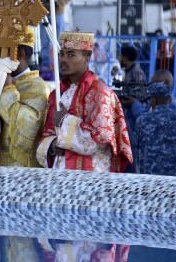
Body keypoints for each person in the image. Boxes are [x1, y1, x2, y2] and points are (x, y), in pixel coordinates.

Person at [36, 31, 132, 172]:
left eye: (71, 55)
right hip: (61, 174)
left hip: (91, 175)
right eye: (61, 54)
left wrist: (64, 121)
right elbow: (47, 134)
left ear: (87, 58)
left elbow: (99, 140)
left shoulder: (100, 92)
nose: (63, 60)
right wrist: (51, 146)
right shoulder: (57, 94)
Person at [0, 28, 51, 167]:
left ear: (19, 54)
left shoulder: (39, 89)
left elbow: (25, 128)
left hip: (23, 170)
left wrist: (8, 91)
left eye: (3, 52)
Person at [133, 81, 176, 176]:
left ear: (153, 100)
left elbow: (135, 151)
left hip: (150, 178)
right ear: (170, 99)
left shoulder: (142, 121)